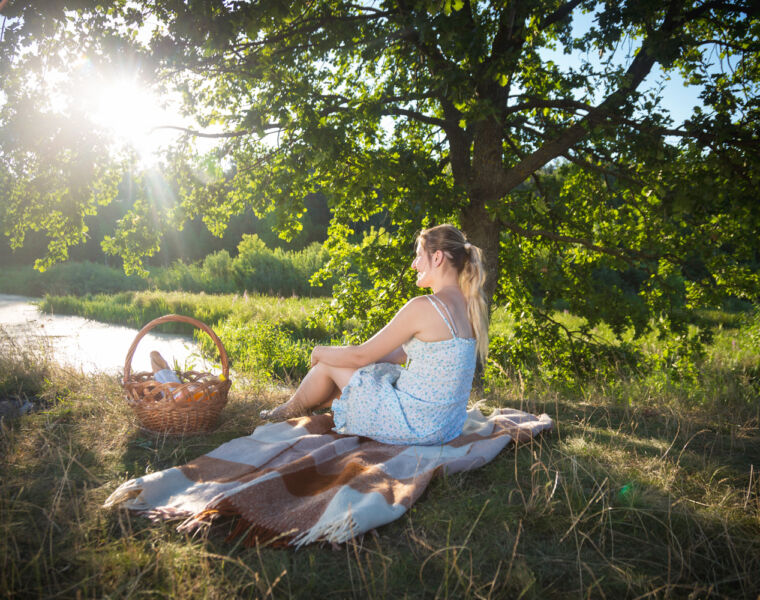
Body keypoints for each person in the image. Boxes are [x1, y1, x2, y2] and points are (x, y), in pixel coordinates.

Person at [259, 224, 489, 445]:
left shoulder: (425, 306)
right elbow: (399, 355)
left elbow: (361, 355)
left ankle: (286, 411)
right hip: (445, 427)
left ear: (437, 258)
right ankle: (300, 408)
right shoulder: (470, 307)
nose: (413, 264)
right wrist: (359, 365)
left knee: (328, 366)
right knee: (364, 372)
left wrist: (320, 352)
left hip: (414, 425)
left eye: (419, 256)